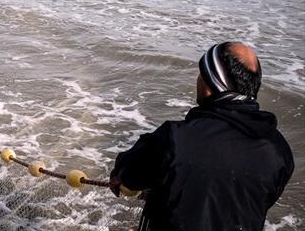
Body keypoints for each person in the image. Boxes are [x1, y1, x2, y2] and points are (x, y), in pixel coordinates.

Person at [109, 42, 294, 231]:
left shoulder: (174, 138)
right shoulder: (279, 150)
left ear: (211, 83)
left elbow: (130, 174)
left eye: (202, 74)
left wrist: (119, 176)